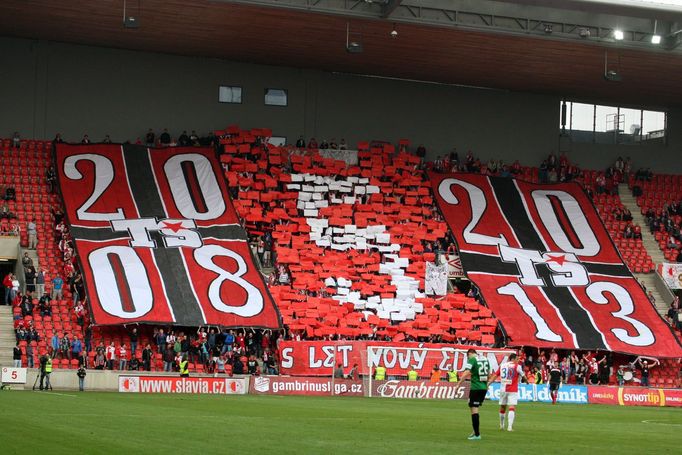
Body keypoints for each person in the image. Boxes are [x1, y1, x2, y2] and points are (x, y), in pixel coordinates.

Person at [457, 348, 491, 441]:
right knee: (474, 408)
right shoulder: (485, 359)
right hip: (483, 388)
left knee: (474, 410)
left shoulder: (472, 359)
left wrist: (458, 384)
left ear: (470, 354)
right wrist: (486, 384)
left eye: (468, 356)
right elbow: (489, 374)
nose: (468, 358)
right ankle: (475, 431)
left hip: (476, 388)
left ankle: (477, 434)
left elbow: (467, 372)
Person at [487, 353, 524, 431]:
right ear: (513, 359)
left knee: (503, 407)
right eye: (517, 359)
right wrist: (526, 381)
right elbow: (522, 375)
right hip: (512, 390)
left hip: (503, 389)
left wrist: (488, 384)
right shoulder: (517, 366)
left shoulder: (502, 365)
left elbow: (495, 375)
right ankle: (509, 427)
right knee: (511, 407)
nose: (518, 361)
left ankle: (501, 425)